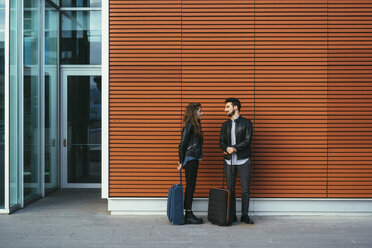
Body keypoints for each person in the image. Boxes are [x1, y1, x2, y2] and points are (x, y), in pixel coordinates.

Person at [220, 98, 254, 224]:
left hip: (243, 160)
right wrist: (226, 148)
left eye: (227, 107)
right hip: (229, 162)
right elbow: (221, 141)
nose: (225, 109)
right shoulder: (225, 124)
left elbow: (247, 140)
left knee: (245, 189)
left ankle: (244, 215)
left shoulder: (247, 123)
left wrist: (233, 149)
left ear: (235, 108)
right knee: (230, 190)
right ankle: (231, 215)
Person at [178, 102, 203, 224]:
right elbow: (182, 144)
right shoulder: (189, 125)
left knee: (191, 186)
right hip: (190, 158)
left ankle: (188, 212)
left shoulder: (195, 125)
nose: (202, 113)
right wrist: (181, 161)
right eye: (199, 111)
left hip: (193, 158)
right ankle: (188, 213)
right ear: (194, 112)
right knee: (190, 187)